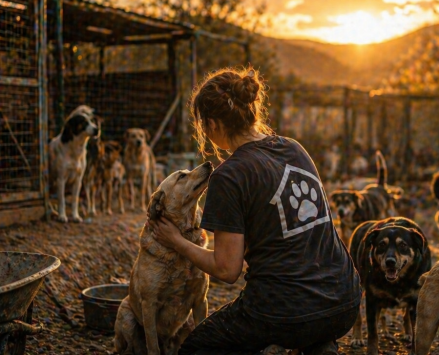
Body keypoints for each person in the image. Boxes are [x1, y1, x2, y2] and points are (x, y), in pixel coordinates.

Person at [149, 67, 361, 355]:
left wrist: (176, 241)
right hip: (345, 300)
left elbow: (227, 269)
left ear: (212, 123)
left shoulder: (229, 176)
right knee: (309, 322)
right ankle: (317, 342)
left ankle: (299, 335)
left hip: (284, 309)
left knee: (196, 348)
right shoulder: (294, 148)